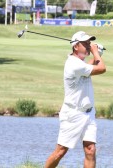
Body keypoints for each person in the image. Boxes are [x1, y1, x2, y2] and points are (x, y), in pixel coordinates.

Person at [45, 31, 106, 168]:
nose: (89, 46)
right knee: (60, 151)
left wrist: (97, 55)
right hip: (73, 114)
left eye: (89, 43)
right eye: (85, 43)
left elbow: (88, 69)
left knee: (90, 150)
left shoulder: (79, 64)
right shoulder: (73, 64)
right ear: (76, 46)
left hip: (88, 113)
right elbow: (101, 68)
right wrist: (96, 53)